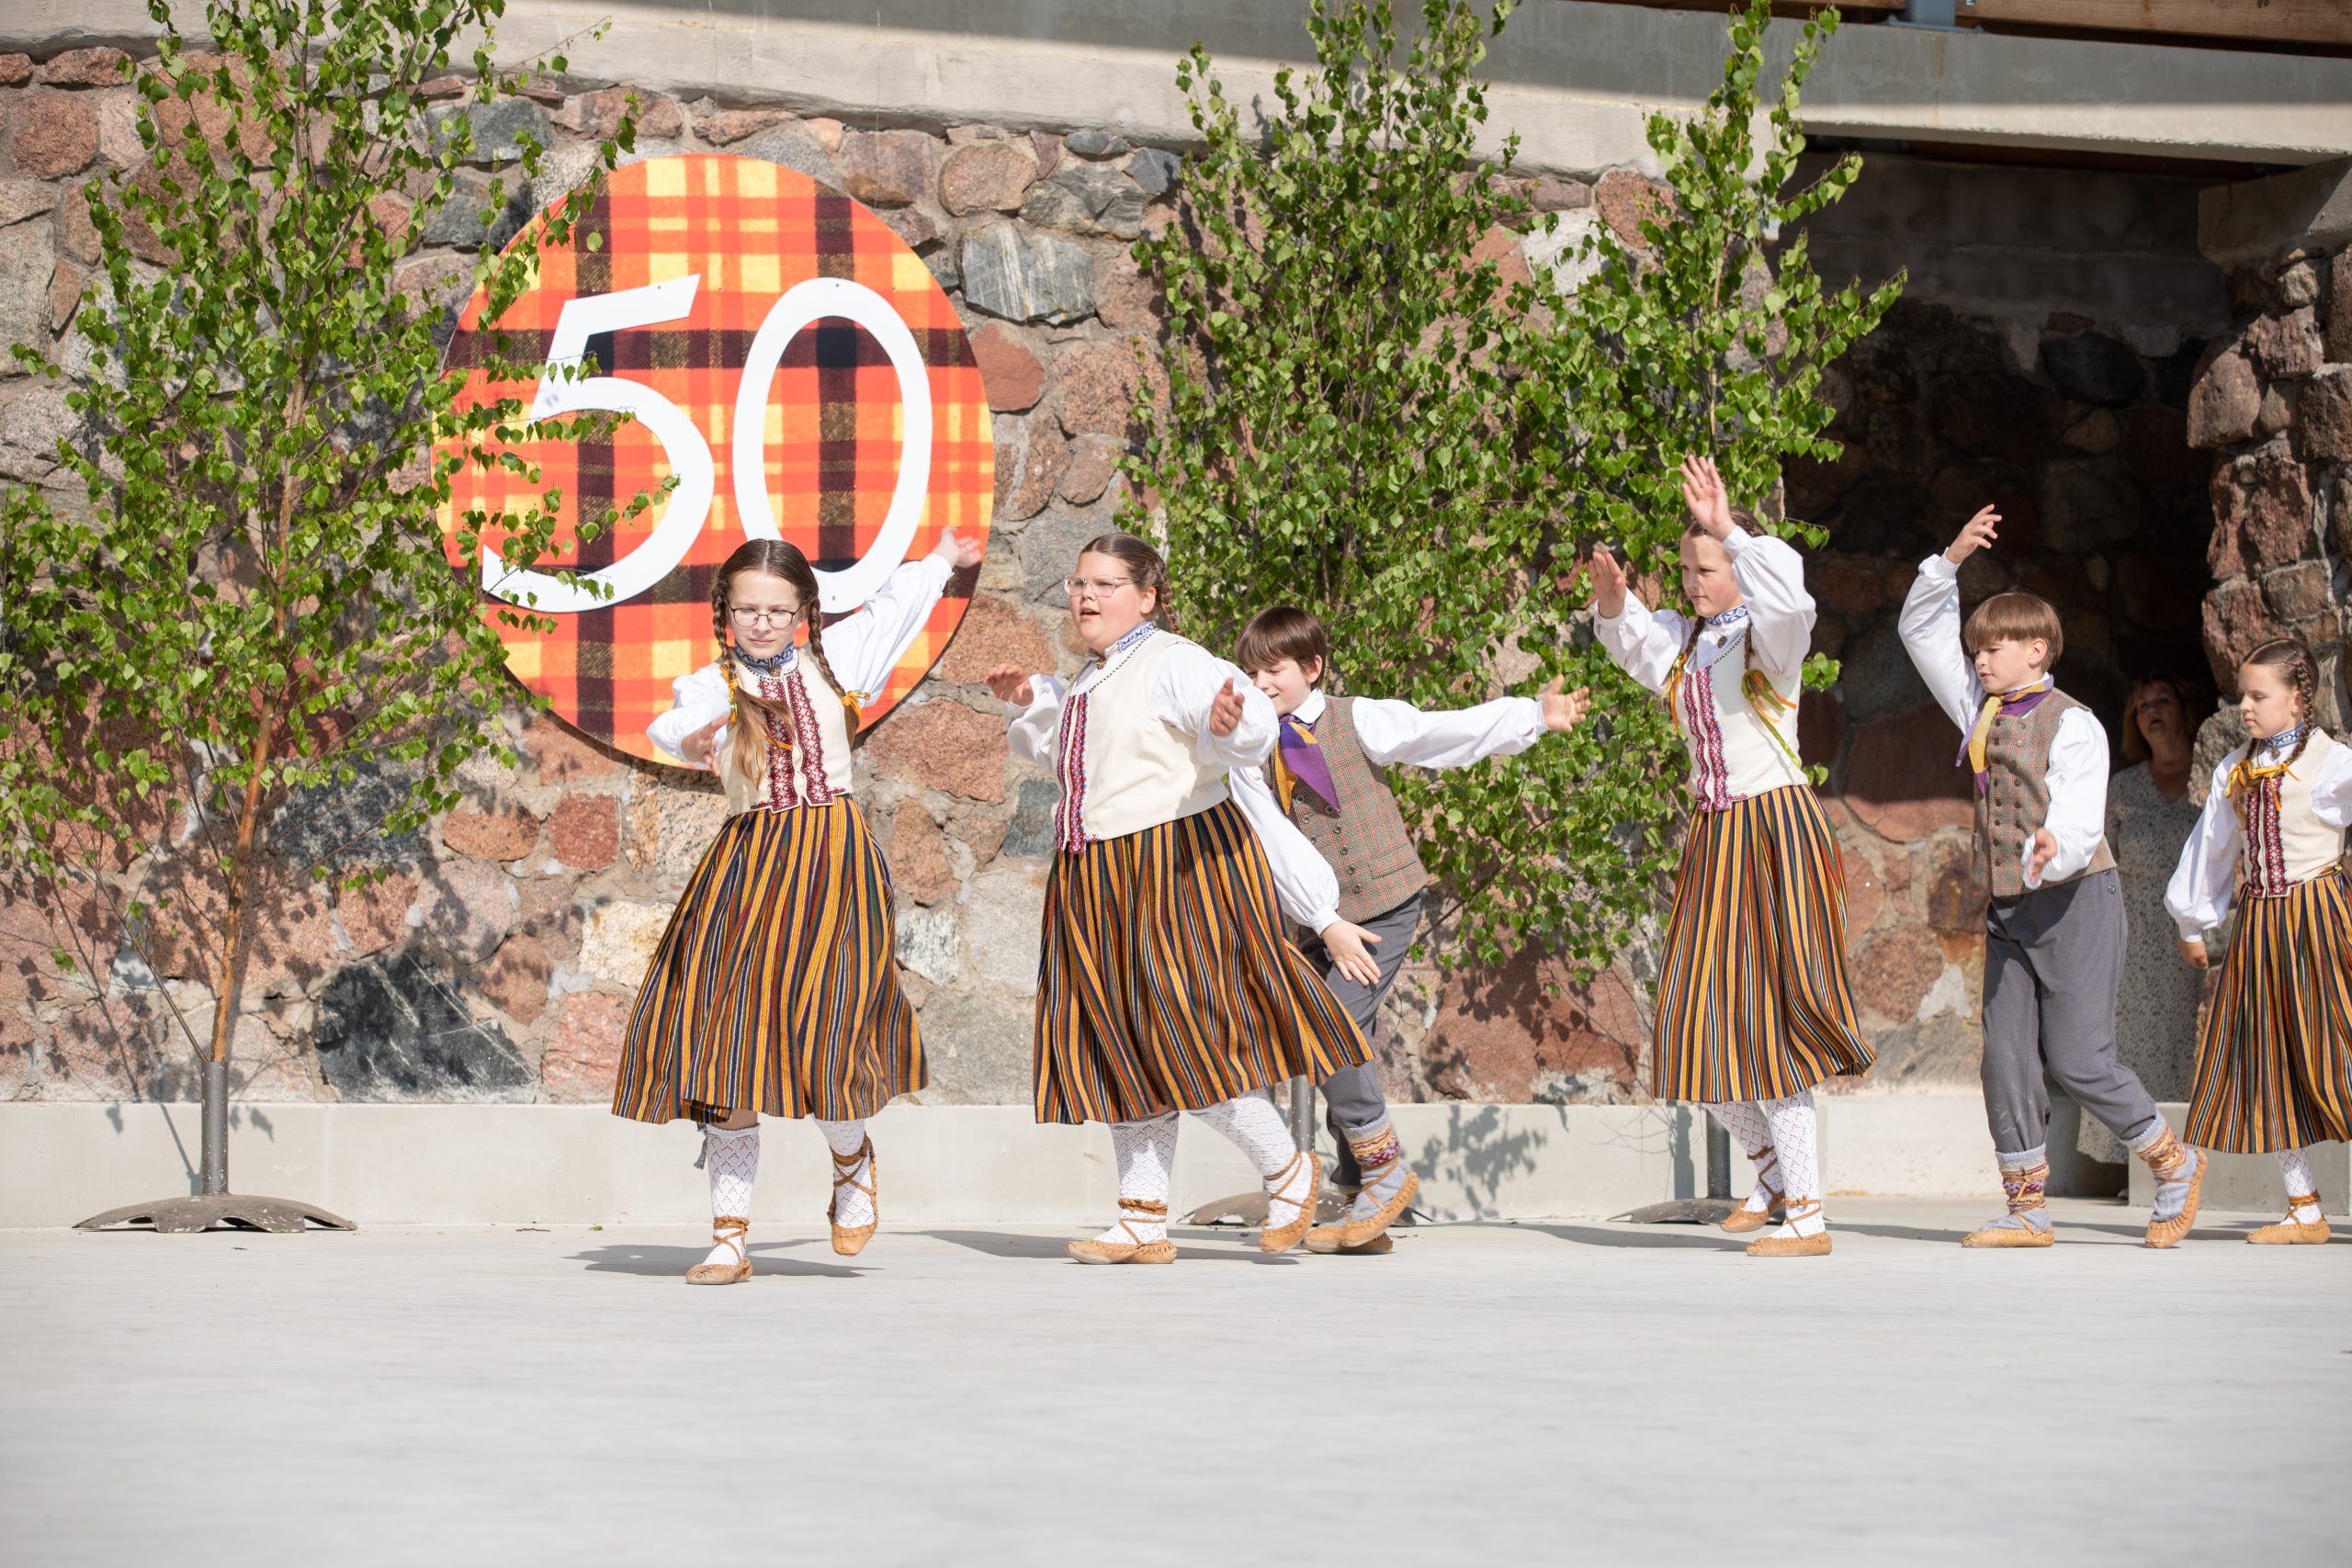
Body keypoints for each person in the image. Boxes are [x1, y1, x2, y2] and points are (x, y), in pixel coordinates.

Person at [986, 532, 1370, 1264]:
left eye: (1104, 584)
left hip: (1167, 866)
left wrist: (1231, 723)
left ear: (1147, 597)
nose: (1086, 596)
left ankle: (1287, 1168)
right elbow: (1075, 751)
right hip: (1096, 873)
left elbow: (1241, 722)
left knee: (1182, 1038)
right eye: (1078, 583)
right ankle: (1142, 1216)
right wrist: (1031, 700)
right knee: (1122, 1044)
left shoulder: (1173, 661)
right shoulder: (1096, 676)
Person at [611, 529, 982, 1285]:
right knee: (726, 1044)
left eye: (778, 610)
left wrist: (942, 558)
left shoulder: (837, 661)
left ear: (804, 611)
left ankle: (851, 1162)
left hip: (834, 863)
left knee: (826, 1034)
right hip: (749, 867)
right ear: (725, 611)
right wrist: (694, 737)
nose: (762, 622)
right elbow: (672, 726)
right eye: (747, 609)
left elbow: (897, 608)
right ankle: (729, 1236)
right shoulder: (711, 684)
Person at [1229, 604, 1589, 1255]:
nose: (1260, 685)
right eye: (1250, 673)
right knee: (1346, 1041)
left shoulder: (1356, 718)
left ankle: (1384, 1167)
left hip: (1383, 905)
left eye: (1273, 671)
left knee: (1332, 1027)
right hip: (1319, 923)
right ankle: (1360, 1193)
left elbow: (1438, 733)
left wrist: (1533, 715)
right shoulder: (1251, 747)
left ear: (1312, 668)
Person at [1589, 455, 1873, 1258]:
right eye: (1685, 569)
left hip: (1774, 827)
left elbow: (1792, 598)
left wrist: (1732, 532)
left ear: (1738, 568)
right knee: (1691, 1024)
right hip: (1717, 834)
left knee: (1772, 1024)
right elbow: (1636, 644)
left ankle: (1808, 1213)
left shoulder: (1768, 637)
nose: (1692, 582)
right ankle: (1773, 1173)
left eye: (1705, 568)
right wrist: (1612, 603)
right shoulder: (1691, 643)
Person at [1897, 505, 2203, 1248]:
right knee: (2005, 1057)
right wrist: (1949, 559)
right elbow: (1920, 634)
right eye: (1976, 649)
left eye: (1993, 647)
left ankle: (2174, 1162)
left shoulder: (2076, 722)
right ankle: (2027, 1207)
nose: (1979, 660)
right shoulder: (1978, 709)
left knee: (2079, 1058)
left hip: (2077, 902)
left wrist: (2051, 848)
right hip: (2009, 908)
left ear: (2036, 650)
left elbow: (2079, 815)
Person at [2167, 637, 2352, 1244]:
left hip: (2320, 921)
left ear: (2297, 698)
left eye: (2258, 695)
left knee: (2339, 1049)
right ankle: (2304, 1207)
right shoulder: (2235, 769)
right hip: (2261, 928)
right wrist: (2192, 920)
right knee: (2270, 1059)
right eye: (2242, 695)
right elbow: (2213, 846)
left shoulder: (2332, 763)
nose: (2244, 706)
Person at [2083, 675, 2207, 1165]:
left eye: (2162, 701)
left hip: (2194, 934)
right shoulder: (2124, 787)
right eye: (2141, 706)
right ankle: (2135, 1163)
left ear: (2185, 710)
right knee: (2132, 1043)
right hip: (2133, 936)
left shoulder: (2209, 779)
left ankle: (2194, 1155)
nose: (2151, 711)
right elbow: (2098, 862)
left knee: (2190, 1043)